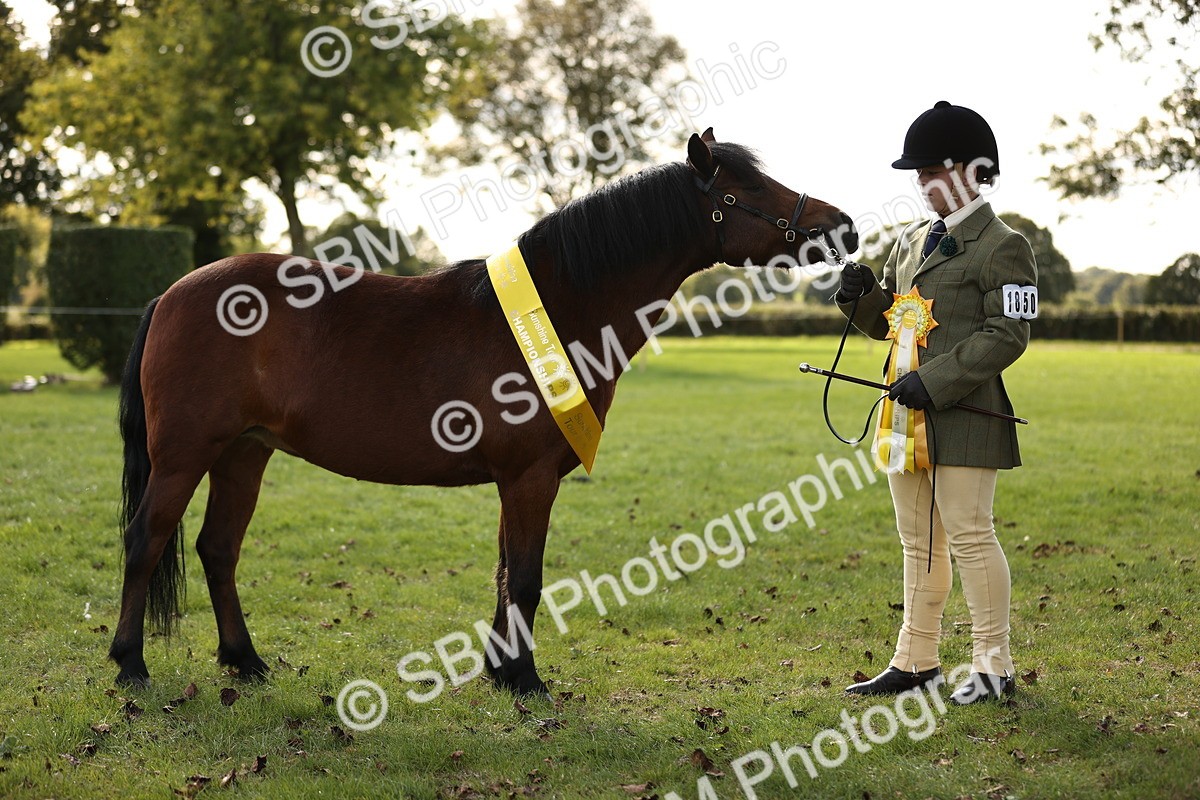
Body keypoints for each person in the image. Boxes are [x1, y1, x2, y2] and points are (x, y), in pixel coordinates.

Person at [835, 101, 1037, 705]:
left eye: (929, 173)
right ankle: (916, 659)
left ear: (969, 171)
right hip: (908, 415)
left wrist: (939, 379)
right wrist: (861, 299)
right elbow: (897, 326)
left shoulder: (1006, 245)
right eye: (919, 176)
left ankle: (993, 665)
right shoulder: (911, 241)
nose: (921, 186)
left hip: (968, 413)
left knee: (971, 535)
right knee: (917, 542)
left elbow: (1008, 334)